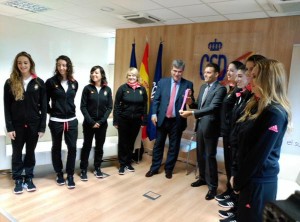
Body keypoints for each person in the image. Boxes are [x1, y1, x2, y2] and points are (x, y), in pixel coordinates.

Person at [232, 59, 291, 222]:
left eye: (255, 76)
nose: (250, 80)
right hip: (250, 180)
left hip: (259, 182)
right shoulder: (258, 106)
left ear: (268, 80)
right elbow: (244, 145)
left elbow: (257, 156)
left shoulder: (275, 113)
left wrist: (237, 181)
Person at [180, 62, 226, 200]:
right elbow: (198, 105)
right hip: (200, 126)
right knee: (200, 155)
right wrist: (190, 103)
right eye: (205, 72)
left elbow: (213, 108)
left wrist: (191, 113)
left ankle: (213, 187)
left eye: (209, 72)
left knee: (210, 156)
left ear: (216, 74)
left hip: (211, 128)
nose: (206, 74)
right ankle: (202, 179)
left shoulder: (221, 89)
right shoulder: (203, 87)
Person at [4, 51, 47, 194]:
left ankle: (28, 177)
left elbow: (44, 107)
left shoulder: (39, 83)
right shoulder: (10, 82)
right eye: (19, 62)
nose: (22, 65)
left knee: (30, 152)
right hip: (16, 126)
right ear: (16, 65)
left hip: (34, 125)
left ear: (30, 64)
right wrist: (9, 127)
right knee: (17, 153)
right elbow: (6, 107)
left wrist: (42, 127)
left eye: (25, 62)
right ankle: (17, 178)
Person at [145, 59, 194, 179]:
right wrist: (153, 114)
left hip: (177, 122)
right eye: (175, 71)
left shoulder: (188, 84)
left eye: (180, 72)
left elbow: (192, 105)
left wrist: (190, 102)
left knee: (174, 146)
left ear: (183, 72)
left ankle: (169, 169)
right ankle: (154, 168)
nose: (177, 74)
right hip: (162, 119)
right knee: (158, 145)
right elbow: (156, 100)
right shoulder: (162, 82)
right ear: (171, 70)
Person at [46, 55, 78, 189]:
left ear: (68, 66)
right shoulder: (50, 82)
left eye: (64, 65)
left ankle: (70, 174)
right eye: (59, 65)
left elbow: (71, 99)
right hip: (56, 121)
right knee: (56, 148)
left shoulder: (74, 82)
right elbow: (44, 101)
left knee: (72, 148)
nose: (61, 67)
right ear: (56, 66)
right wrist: (52, 112)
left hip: (71, 120)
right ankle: (59, 173)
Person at [216, 61, 243, 202]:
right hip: (227, 133)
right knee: (228, 163)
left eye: (232, 70)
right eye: (228, 70)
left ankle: (233, 194)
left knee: (232, 164)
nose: (228, 73)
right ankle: (229, 189)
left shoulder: (240, 91)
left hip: (233, 134)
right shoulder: (231, 89)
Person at [79, 65, 112, 181]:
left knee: (99, 147)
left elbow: (109, 107)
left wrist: (101, 121)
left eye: (96, 73)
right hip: (89, 124)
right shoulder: (87, 89)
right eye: (92, 72)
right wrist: (92, 122)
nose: (94, 74)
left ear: (102, 75)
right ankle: (83, 169)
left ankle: (97, 167)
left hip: (102, 125)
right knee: (86, 146)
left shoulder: (107, 90)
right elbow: (82, 107)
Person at [113, 67, 148, 175]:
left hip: (136, 121)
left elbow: (144, 106)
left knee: (131, 142)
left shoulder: (142, 90)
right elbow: (117, 106)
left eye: (133, 75)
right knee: (123, 142)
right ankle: (122, 165)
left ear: (137, 77)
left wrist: (144, 121)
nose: (131, 77)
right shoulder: (122, 89)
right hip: (123, 120)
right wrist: (116, 121)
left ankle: (128, 162)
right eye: (129, 75)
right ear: (127, 77)